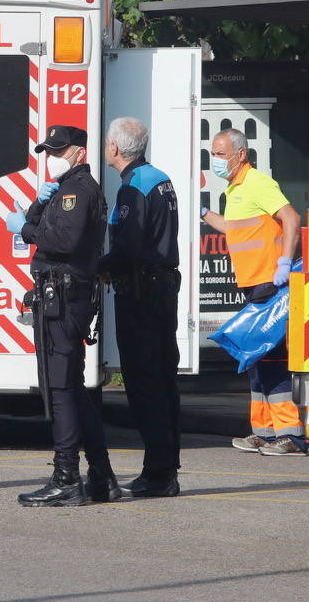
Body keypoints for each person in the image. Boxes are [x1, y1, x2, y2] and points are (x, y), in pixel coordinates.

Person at [6, 125, 118, 506]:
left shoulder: (76, 190)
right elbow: (48, 228)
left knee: (60, 389)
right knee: (70, 388)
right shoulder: (66, 188)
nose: (52, 157)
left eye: (60, 150)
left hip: (64, 296)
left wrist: (25, 227)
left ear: (79, 153)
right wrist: (37, 207)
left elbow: (64, 242)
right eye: (49, 150)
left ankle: (67, 476)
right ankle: (100, 475)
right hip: (63, 294)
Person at [201, 127, 306, 455]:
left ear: (241, 154)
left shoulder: (257, 182)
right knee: (257, 359)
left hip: (270, 282)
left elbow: (290, 217)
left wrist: (285, 262)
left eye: (220, 154)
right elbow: (234, 229)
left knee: (271, 358)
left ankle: (291, 435)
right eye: (213, 154)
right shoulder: (234, 190)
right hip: (253, 283)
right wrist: (203, 213)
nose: (215, 160)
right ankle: (263, 432)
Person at [98, 117, 182, 498]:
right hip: (162, 289)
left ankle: (159, 472)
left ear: (115, 148)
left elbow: (128, 248)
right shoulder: (159, 178)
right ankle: (165, 468)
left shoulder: (133, 188)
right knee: (163, 381)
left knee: (145, 383)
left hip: (141, 293)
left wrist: (98, 268)